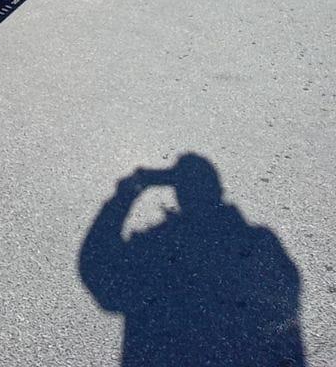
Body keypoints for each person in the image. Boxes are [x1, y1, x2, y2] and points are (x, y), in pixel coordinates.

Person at [79, 154, 304, 366]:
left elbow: (100, 275)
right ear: (217, 189)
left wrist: (125, 195)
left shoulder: (153, 246)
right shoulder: (262, 241)